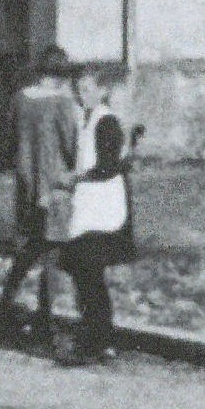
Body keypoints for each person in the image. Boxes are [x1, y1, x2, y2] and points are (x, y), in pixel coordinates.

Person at [0, 46, 82, 346]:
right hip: (54, 185)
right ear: (61, 75)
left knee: (30, 246)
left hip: (27, 183)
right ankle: (44, 319)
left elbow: (10, 141)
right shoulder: (62, 102)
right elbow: (71, 146)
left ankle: (4, 304)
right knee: (51, 252)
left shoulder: (21, 99)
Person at [61, 75, 137, 365]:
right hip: (87, 203)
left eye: (88, 89)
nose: (82, 95)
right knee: (84, 273)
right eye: (79, 90)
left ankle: (100, 338)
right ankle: (94, 335)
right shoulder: (85, 119)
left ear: (102, 91)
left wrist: (77, 177)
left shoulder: (107, 122)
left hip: (103, 206)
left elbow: (108, 166)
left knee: (90, 272)